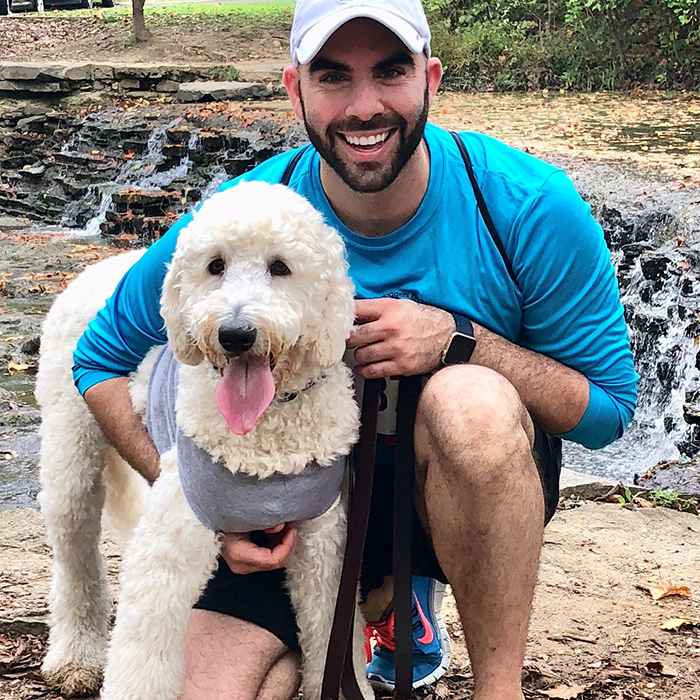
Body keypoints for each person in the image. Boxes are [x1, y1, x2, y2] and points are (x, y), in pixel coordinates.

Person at [72, 0, 638, 698]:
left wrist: (463, 343)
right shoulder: (247, 217)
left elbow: (607, 411)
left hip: (455, 494)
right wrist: (198, 500)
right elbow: (96, 361)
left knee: (472, 402)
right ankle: (375, 599)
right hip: (289, 516)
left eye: (392, 71)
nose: (364, 106)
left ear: (431, 79)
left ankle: (487, 674)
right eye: (334, 76)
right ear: (294, 89)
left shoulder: (528, 205)